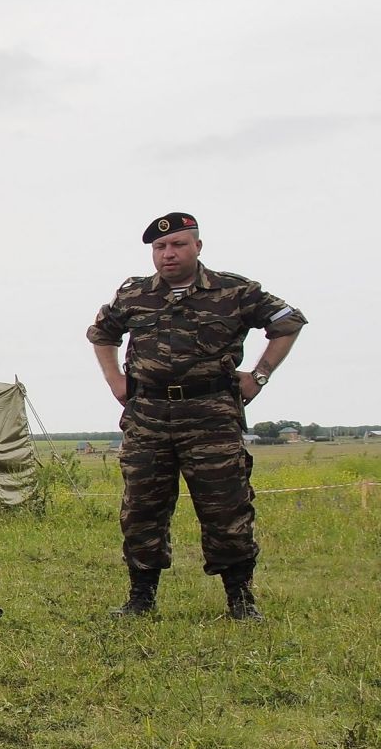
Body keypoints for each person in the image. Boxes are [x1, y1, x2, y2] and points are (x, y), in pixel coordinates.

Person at [87, 212, 307, 620]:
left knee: (227, 507)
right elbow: (102, 332)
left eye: (178, 245)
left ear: (197, 247)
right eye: (159, 248)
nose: (168, 254)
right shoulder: (134, 293)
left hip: (211, 417)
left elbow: (287, 321)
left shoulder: (234, 290)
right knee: (141, 509)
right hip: (148, 417)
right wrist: (114, 378)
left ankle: (240, 600)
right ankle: (141, 598)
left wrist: (259, 375)